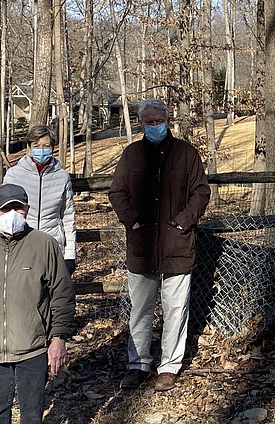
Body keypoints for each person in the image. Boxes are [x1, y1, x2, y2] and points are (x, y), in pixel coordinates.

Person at [0, 183, 75, 424]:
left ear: (27, 210)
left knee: (31, 416)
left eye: (18, 209)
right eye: (6, 209)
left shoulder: (44, 245)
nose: (12, 215)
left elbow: (62, 294)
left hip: (34, 348)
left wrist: (58, 338)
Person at [108, 99, 211, 391]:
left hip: (177, 244)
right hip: (142, 247)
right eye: (149, 121)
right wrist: (132, 220)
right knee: (140, 309)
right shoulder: (131, 156)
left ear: (168, 120)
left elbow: (201, 192)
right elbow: (117, 192)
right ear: (141, 123)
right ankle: (138, 364)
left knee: (176, 308)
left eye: (159, 120)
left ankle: (169, 366)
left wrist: (183, 221)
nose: (154, 125)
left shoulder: (186, 154)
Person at [3, 124, 77, 275]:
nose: (41, 150)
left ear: (53, 147)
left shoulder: (62, 177)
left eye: (46, 145)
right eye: (36, 145)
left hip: (53, 248)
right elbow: (4, 216)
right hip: (21, 247)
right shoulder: (14, 175)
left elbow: (68, 217)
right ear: (29, 147)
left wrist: (70, 255)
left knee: (52, 296)